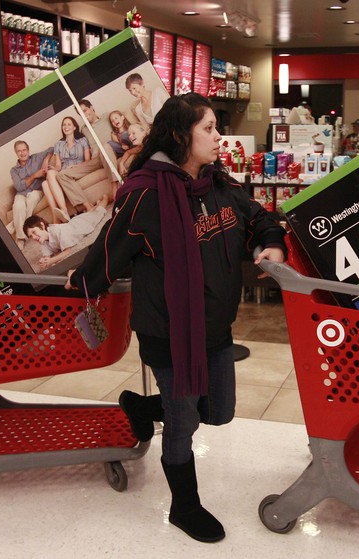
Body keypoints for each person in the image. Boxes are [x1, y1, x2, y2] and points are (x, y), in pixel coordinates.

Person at [65, 93, 286, 543]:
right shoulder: (147, 193)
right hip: (168, 331)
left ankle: (143, 406)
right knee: (183, 424)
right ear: (180, 135)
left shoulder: (216, 183)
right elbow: (111, 247)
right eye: (208, 128)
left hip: (216, 327)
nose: (218, 136)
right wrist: (83, 280)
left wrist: (271, 241)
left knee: (218, 412)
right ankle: (185, 506)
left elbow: (259, 216)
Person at [57, 99, 122, 202]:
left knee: (104, 147)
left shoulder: (106, 117)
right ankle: (86, 205)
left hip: (110, 152)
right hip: (95, 160)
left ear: (91, 107)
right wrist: (78, 165)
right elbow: (78, 147)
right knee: (61, 175)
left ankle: (115, 187)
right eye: (80, 113)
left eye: (85, 110)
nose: (84, 114)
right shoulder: (84, 130)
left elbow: (120, 123)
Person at [23, 194, 110, 269]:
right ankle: (96, 205)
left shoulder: (56, 231)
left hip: (81, 226)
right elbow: (47, 254)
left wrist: (52, 260)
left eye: (34, 232)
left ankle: (105, 199)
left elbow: (68, 251)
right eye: (31, 236)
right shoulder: (42, 240)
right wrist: (45, 260)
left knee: (98, 213)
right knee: (88, 213)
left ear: (42, 226)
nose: (34, 237)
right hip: (73, 223)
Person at [44, 116, 91, 223]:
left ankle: (59, 218)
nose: (66, 127)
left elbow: (87, 160)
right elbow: (58, 166)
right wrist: (52, 168)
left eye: (69, 124)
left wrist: (76, 167)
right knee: (45, 183)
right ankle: (62, 212)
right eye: (64, 125)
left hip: (77, 169)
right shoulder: (58, 144)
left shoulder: (82, 140)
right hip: (63, 171)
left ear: (74, 127)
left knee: (47, 183)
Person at [9, 140, 53, 245]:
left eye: (24, 150)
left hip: (36, 191)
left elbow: (52, 148)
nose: (22, 153)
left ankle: (14, 224)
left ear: (28, 150)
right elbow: (19, 187)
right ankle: (21, 238)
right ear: (16, 153)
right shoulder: (14, 170)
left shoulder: (37, 158)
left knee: (32, 198)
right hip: (21, 194)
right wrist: (34, 175)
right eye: (19, 151)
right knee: (18, 205)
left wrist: (46, 160)